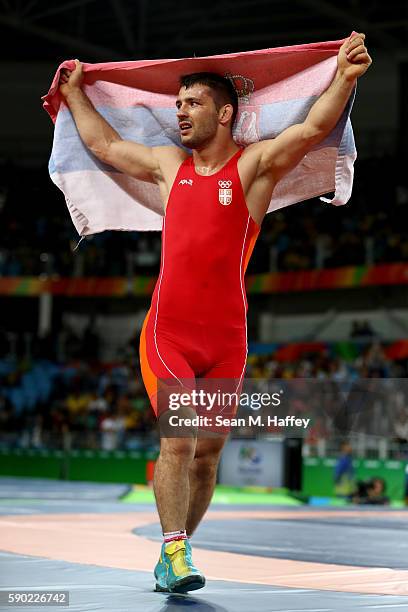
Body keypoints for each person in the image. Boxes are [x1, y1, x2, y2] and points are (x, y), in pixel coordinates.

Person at [58, 33, 372, 593]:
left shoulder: (252, 169)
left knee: (207, 459)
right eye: (176, 105)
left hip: (228, 341)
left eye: (192, 103)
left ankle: (175, 552)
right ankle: (174, 552)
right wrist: (77, 93)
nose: (180, 112)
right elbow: (106, 146)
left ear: (224, 113)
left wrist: (346, 75)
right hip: (169, 335)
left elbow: (309, 130)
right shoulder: (165, 165)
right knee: (179, 441)